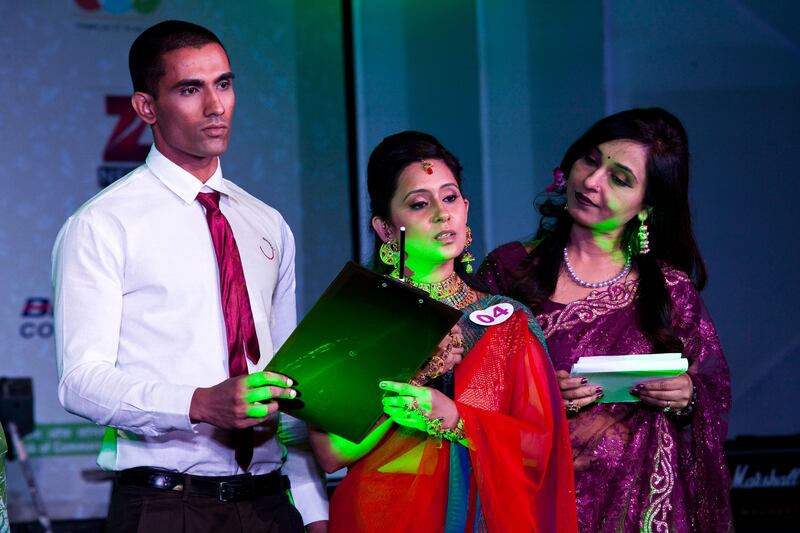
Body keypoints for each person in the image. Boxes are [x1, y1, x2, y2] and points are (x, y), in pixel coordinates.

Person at [52, 20, 327, 532]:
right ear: (145, 107)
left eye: (224, 83)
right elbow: (80, 383)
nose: (216, 106)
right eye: (189, 89)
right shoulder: (103, 223)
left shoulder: (266, 222)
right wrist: (199, 403)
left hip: (271, 503)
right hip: (166, 505)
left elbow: (289, 384)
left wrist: (313, 510)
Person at [478, 108, 732, 532]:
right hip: (531, 504)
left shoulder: (669, 291)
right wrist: (534, 397)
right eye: (591, 160)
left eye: (620, 178)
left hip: (642, 513)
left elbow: (712, 391)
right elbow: (463, 388)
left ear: (646, 204)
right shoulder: (508, 271)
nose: (592, 181)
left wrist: (688, 397)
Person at [310, 131, 578, 532]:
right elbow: (332, 453)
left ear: (466, 208)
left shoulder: (506, 321)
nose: (441, 213)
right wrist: (415, 370)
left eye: (450, 197)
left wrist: (455, 418)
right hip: (380, 514)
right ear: (384, 228)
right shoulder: (359, 318)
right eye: (420, 204)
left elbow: (539, 450)